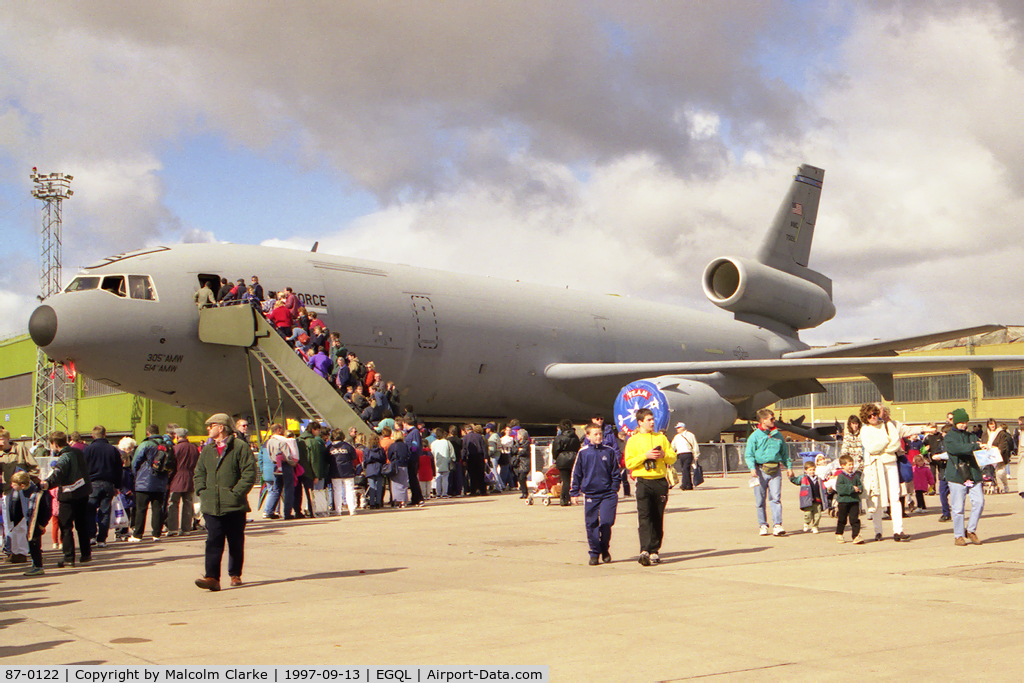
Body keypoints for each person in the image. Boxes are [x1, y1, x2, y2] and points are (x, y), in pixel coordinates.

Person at [193, 413, 256, 591]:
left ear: (221, 427)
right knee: (213, 540)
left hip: (234, 505)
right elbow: (199, 472)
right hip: (211, 505)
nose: (208, 428)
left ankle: (235, 574)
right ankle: (212, 577)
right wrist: (202, 491)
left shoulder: (240, 447)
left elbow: (249, 473)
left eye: (211, 425)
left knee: (235, 541)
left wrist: (236, 493)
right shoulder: (207, 449)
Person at [623, 408, 677, 566]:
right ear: (640, 422)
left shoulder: (660, 438)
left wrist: (663, 456)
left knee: (657, 516)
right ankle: (644, 550)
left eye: (652, 419)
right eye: (648, 420)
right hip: (643, 481)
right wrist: (645, 456)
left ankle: (655, 550)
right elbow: (629, 463)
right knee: (644, 516)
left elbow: (673, 457)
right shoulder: (633, 440)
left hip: (659, 481)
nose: (652, 422)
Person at [570, 423, 621, 565]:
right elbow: (577, 474)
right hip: (591, 494)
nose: (599, 436)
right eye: (595, 434)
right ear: (588, 436)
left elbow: (615, 472)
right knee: (591, 524)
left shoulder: (609, 451)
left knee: (606, 522)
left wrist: (614, 488)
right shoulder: (583, 452)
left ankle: (604, 548)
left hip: (608, 494)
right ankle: (594, 552)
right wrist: (574, 492)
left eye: (600, 434)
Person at [40, 431, 92, 568]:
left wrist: (47, 483)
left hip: (68, 494)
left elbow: (58, 472)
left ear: (54, 444)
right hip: (83, 491)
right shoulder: (78, 452)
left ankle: (69, 557)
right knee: (82, 524)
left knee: (66, 526)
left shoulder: (64, 457)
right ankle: (86, 553)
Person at [859, 403, 907, 542]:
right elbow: (871, 448)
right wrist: (886, 441)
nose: (873, 417)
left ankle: (898, 530)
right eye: (869, 415)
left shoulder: (888, 425)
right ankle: (878, 530)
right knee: (876, 497)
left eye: (875, 413)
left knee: (895, 496)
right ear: (865, 417)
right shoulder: (865, 430)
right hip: (874, 466)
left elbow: (896, 444)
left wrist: (882, 448)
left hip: (890, 463)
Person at [744, 408, 792, 537]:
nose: (773, 421)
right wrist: (752, 468)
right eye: (771, 419)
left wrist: (789, 467)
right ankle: (763, 525)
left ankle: (777, 525)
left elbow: (784, 453)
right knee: (760, 500)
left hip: (775, 470)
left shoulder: (778, 435)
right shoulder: (755, 436)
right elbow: (749, 454)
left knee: (775, 498)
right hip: (760, 470)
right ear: (763, 420)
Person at [945, 408, 984, 546]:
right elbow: (956, 449)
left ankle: (971, 530)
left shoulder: (972, 436)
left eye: (965, 422)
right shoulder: (949, 437)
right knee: (958, 508)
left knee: (979, 502)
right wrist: (974, 447)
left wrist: (982, 448)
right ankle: (958, 535)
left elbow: (975, 449)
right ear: (955, 423)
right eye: (960, 422)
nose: (963, 424)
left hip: (973, 474)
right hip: (957, 475)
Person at [3, 471, 52, 575]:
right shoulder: (19, 492)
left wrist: (42, 524)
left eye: (14, 484)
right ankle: (36, 563)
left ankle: (38, 566)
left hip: (37, 521)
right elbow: (17, 507)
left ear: (22, 485)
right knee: (31, 542)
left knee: (34, 542)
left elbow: (46, 509)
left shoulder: (38, 492)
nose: (11, 486)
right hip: (28, 520)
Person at [129, 424, 171, 542]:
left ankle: (138, 534)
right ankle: (157, 534)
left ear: (148, 433)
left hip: (144, 482)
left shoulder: (145, 444)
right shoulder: (166, 445)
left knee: (141, 509)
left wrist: (135, 475)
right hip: (161, 482)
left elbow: (135, 461)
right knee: (157, 508)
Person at [83, 425, 121, 548]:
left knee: (90, 510)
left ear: (93, 435)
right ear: (105, 434)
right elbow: (118, 469)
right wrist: (117, 485)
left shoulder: (88, 450)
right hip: (108, 483)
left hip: (92, 484)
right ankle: (102, 539)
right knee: (105, 512)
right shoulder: (112, 449)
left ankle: (91, 536)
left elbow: (83, 468)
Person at [167, 428, 201, 536]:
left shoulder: (175, 448)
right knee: (188, 503)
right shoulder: (194, 448)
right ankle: (186, 529)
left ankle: (173, 528)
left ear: (177, 436)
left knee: (173, 503)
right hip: (190, 477)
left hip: (177, 478)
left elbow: (171, 464)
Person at [262, 423, 299, 519]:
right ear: (278, 430)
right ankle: (287, 513)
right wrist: (293, 463)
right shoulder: (282, 442)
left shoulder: (269, 442)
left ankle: (270, 511)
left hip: (275, 465)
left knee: (276, 489)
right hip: (285, 466)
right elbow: (288, 456)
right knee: (288, 489)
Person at [327, 429, 359, 516]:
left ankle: (338, 510)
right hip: (348, 471)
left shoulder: (330, 447)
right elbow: (354, 456)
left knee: (337, 491)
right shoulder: (347, 446)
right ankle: (352, 509)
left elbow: (327, 460)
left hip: (335, 471)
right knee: (350, 490)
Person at [789, 460, 826, 533]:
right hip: (807, 499)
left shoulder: (818, 479)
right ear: (806, 470)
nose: (812, 471)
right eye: (810, 470)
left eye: (813, 470)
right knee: (808, 513)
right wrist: (791, 477)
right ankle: (806, 523)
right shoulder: (803, 478)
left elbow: (823, 487)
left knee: (817, 514)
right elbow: (796, 481)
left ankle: (815, 526)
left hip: (817, 499)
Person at [834, 454, 863, 544]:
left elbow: (860, 485)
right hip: (843, 501)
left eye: (852, 464)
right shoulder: (841, 476)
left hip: (854, 500)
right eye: (849, 465)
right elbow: (840, 489)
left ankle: (856, 536)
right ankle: (839, 534)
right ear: (843, 466)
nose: (851, 466)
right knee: (842, 519)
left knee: (854, 519)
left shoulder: (855, 476)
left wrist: (859, 489)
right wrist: (852, 488)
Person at [551, 420, 581, 506]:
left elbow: (555, 450)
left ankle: (564, 498)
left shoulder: (559, 437)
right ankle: (568, 496)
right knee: (572, 479)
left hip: (563, 459)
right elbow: (577, 447)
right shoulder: (575, 437)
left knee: (565, 480)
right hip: (574, 458)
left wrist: (557, 458)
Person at [1, 428, 38, 494]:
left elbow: (34, 467)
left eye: (1, 439)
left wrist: (25, 479)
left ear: (8, 439)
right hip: (6, 490)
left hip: (22, 489)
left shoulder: (20, 449)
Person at [984, 418, 1012, 493]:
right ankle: (992, 485)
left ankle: (1005, 485)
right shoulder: (985, 433)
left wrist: (998, 450)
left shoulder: (1001, 433)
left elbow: (1003, 445)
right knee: (989, 472)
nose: (992, 425)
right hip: (988, 455)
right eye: (990, 424)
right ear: (988, 425)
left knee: (1000, 473)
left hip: (998, 455)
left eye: (993, 423)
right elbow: (983, 442)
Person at [671, 422, 699, 490]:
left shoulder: (690, 435)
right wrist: (671, 453)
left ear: (682, 428)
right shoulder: (677, 436)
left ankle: (684, 484)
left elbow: (695, 445)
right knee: (685, 469)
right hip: (680, 454)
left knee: (685, 469)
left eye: (678, 428)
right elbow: (673, 446)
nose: (677, 429)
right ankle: (689, 485)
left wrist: (696, 454)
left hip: (688, 453)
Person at [430, 428, 455, 498]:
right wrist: (453, 459)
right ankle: (444, 493)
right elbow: (452, 453)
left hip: (437, 462)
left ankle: (438, 493)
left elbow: (432, 453)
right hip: (446, 462)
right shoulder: (447, 442)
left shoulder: (433, 443)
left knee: (438, 478)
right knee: (445, 478)